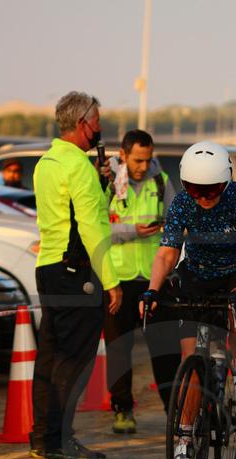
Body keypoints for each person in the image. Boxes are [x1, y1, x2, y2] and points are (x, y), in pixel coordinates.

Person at [140, 140, 236, 459]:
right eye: (195, 189)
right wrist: (152, 289)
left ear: (226, 181)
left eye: (212, 190)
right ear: (185, 184)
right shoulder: (182, 203)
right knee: (191, 360)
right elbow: (167, 252)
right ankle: (184, 439)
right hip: (196, 275)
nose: (204, 197)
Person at [29, 91, 122, 459]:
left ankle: (43, 437)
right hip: (76, 271)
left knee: (50, 356)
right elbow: (91, 227)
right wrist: (111, 280)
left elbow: (69, 214)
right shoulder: (77, 166)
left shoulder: (47, 162)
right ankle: (60, 439)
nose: (100, 128)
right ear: (83, 124)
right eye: (97, 121)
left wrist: (100, 184)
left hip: (49, 267)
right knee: (75, 359)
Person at [104, 129, 179, 434]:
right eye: (137, 160)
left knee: (166, 350)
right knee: (118, 350)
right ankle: (122, 410)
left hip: (154, 281)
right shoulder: (107, 182)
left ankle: (174, 411)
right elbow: (95, 229)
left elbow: (176, 225)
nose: (143, 166)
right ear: (122, 155)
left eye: (148, 159)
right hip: (118, 280)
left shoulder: (161, 181)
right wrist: (132, 231)